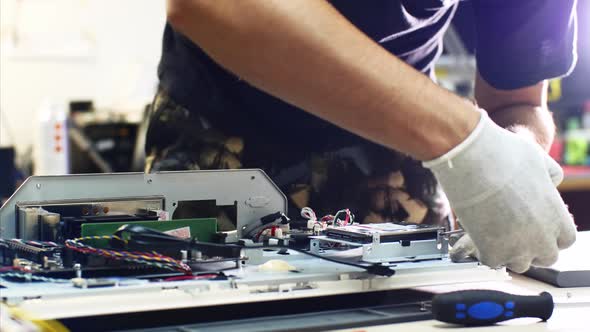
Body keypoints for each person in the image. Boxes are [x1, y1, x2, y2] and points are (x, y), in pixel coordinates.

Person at [144, 0, 578, 273]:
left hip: (399, 155)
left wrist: (514, 158)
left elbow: (516, 103)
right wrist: (465, 138)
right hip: (224, 138)